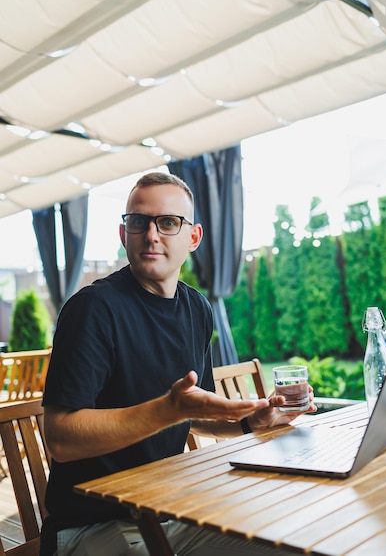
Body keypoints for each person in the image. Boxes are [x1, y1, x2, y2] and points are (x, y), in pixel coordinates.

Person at [40, 171, 316, 556]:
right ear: (124, 235)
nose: (152, 235)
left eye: (168, 222)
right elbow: (60, 439)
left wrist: (250, 422)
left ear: (193, 237)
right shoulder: (93, 309)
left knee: (297, 528)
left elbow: (192, 410)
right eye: (139, 222)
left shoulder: (196, 308)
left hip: (166, 508)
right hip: (92, 527)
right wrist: (167, 410)